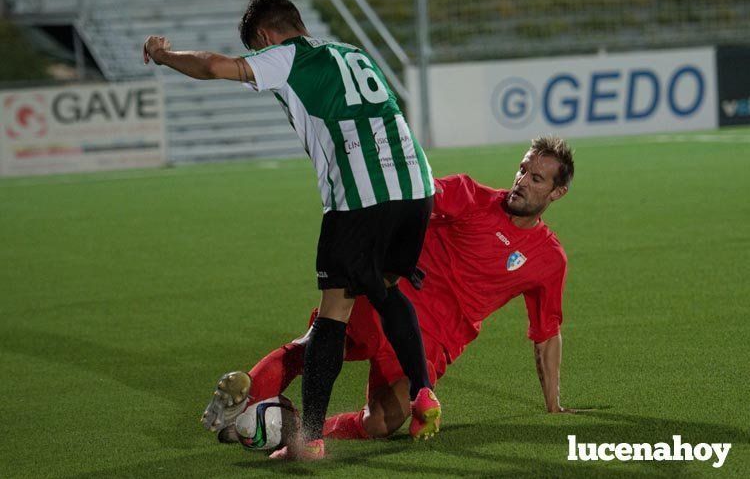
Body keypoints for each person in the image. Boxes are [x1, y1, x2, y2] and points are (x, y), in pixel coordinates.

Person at [143, 0, 439, 458]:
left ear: (265, 36)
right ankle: (423, 389)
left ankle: (311, 437)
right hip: (416, 186)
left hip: (360, 195)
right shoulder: (351, 51)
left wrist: (164, 56)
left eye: (257, 48)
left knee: (332, 315)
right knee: (386, 288)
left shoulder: (285, 56)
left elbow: (214, 66)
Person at [204, 135, 581, 445]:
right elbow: (414, 196)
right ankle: (244, 404)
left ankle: (288, 430)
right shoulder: (470, 196)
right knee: (314, 348)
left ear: (557, 192)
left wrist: (553, 405)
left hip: (433, 342)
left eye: (537, 179)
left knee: (383, 421)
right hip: (386, 300)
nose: (521, 181)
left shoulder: (549, 259)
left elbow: (546, 334)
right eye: (522, 169)